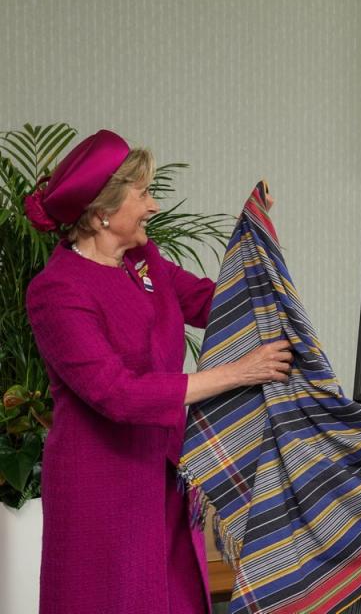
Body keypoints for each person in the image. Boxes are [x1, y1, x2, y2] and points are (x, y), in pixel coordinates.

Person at [24, 130, 293, 613]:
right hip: (101, 486)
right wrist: (240, 372)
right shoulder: (57, 290)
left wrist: (254, 235)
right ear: (103, 211)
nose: (153, 206)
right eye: (143, 194)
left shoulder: (143, 262)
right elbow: (117, 393)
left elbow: (219, 303)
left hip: (164, 472)